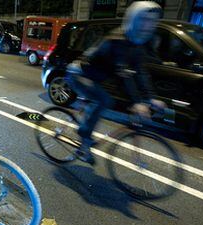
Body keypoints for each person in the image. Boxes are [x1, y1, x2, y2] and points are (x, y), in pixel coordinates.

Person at [66, 1, 166, 164]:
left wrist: (151, 98)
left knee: (102, 100)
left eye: (153, 21)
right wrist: (137, 103)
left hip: (95, 77)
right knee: (104, 100)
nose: (149, 25)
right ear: (134, 19)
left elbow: (140, 72)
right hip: (79, 73)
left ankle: (84, 145)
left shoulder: (137, 42)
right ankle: (84, 137)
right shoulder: (118, 40)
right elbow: (123, 73)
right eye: (145, 20)